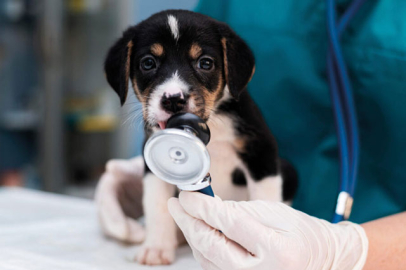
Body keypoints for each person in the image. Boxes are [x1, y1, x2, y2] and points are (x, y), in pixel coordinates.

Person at [96, 0, 406, 269]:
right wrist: (157, 182)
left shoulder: (237, 116)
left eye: (204, 63)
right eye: (149, 64)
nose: (174, 91)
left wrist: (345, 252)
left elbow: (264, 162)